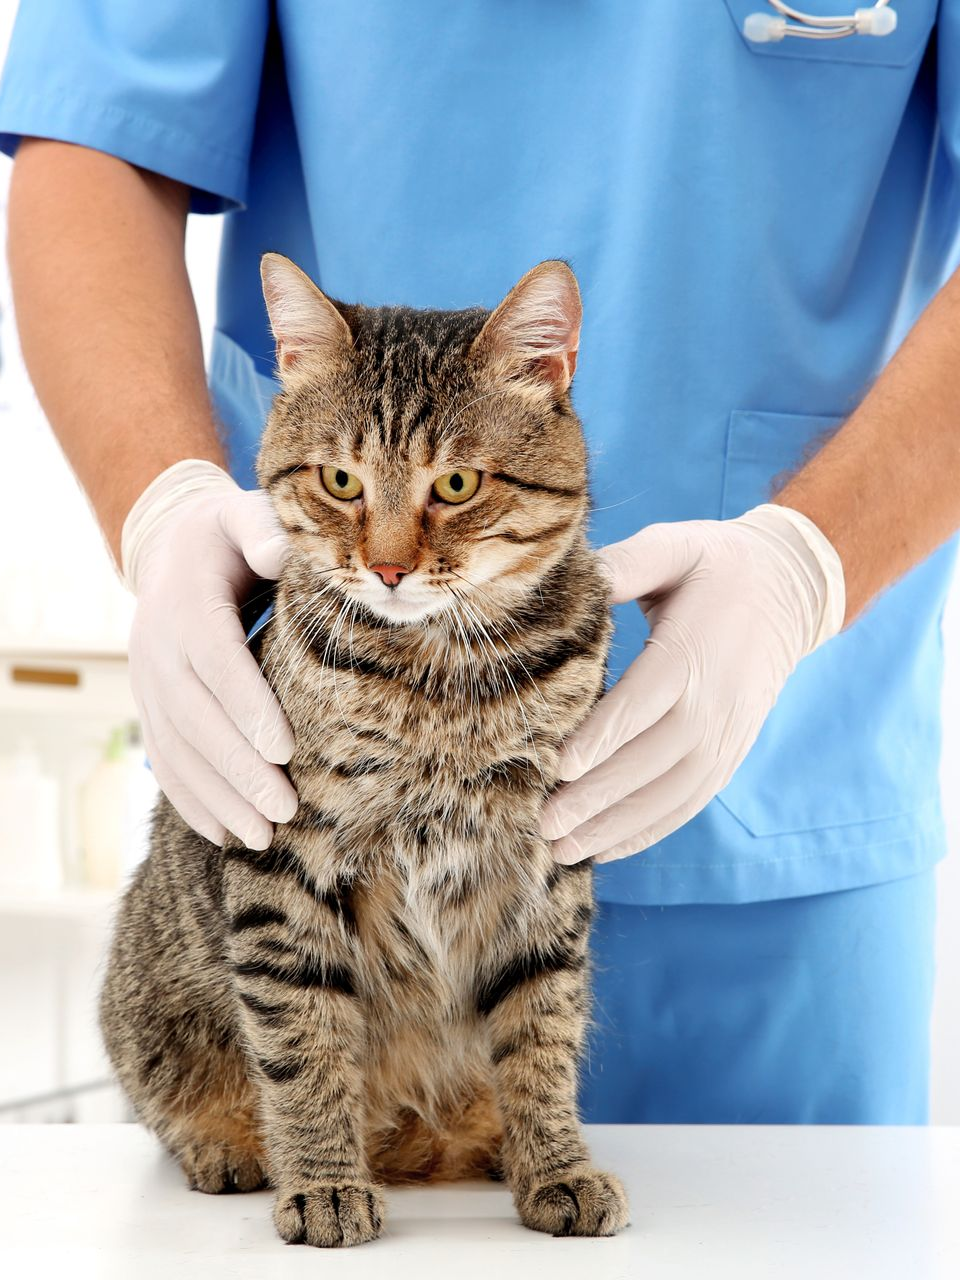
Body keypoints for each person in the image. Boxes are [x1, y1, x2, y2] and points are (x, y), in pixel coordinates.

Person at [1, 1, 958, 1125]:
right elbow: (96, 141)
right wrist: (160, 503)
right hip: (326, 829)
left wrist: (808, 565)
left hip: (790, 827)